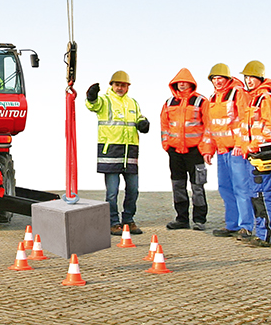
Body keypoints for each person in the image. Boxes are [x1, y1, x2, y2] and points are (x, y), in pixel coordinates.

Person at [85, 70, 149, 236]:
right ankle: (113, 222)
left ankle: (128, 220)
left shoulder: (133, 103)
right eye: (117, 84)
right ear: (112, 85)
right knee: (112, 193)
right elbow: (93, 105)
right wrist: (91, 96)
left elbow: (139, 117)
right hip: (111, 153)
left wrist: (143, 123)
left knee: (133, 190)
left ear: (128, 87)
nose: (120, 87)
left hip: (130, 154)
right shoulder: (105, 100)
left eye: (123, 85)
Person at [201, 63, 253, 241]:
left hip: (237, 151)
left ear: (227, 79)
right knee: (225, 188)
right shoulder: (213, 98)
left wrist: (241, 144)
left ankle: (246, 226)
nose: (217, 82)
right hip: (222, 152)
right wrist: (208, 149)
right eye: (214, 79)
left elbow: (245, 121)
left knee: (242, 188)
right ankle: (232, 225)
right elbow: (209, 127)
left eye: (219, 78)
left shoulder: (238, 93)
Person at [237, 60, 271, 247]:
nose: (248, 81)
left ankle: (267, 236)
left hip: (263, 154)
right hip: (253, 155)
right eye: (246, 77)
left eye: (251, 77)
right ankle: (263, 233)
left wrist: (255, 145)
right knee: (256, 196)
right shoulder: (253, 99)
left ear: (259, 78)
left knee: (262, 196)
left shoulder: (266, 98)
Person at [160, 68, 210, 230]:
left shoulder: (201, 101)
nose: (181, 84)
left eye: (184, 82)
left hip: (195, 151)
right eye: (178, 82)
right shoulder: (168, 103)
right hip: (175, 152)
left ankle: (199, 220)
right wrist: (166, 144)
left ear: (191, 83)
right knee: (178, 185)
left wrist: (203, 147)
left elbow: (208, 125)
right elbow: (164, 125)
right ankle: (181, 219)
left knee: (197, 185)